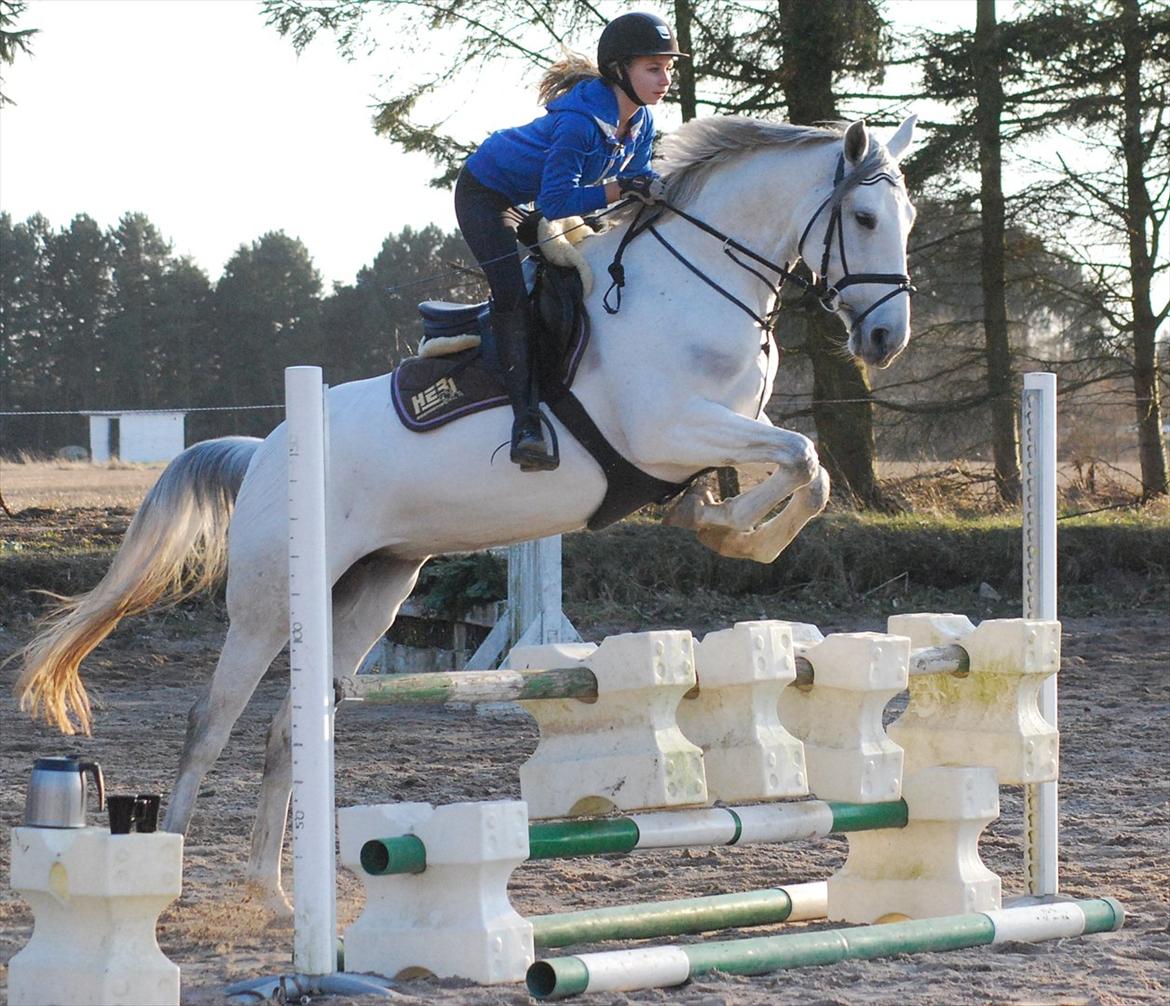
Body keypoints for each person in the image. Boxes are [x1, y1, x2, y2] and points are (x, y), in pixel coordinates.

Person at [455, 12, 687, 472]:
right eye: (653, 69)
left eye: (669, 69)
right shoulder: (581, 124)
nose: (665, 80)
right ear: (621, 71)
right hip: (486, 193)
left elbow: (624, 187)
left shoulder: (641, 123)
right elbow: (559, 201)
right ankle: (526, 424)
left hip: (535, 197)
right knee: (513, 295)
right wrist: (624, 189)